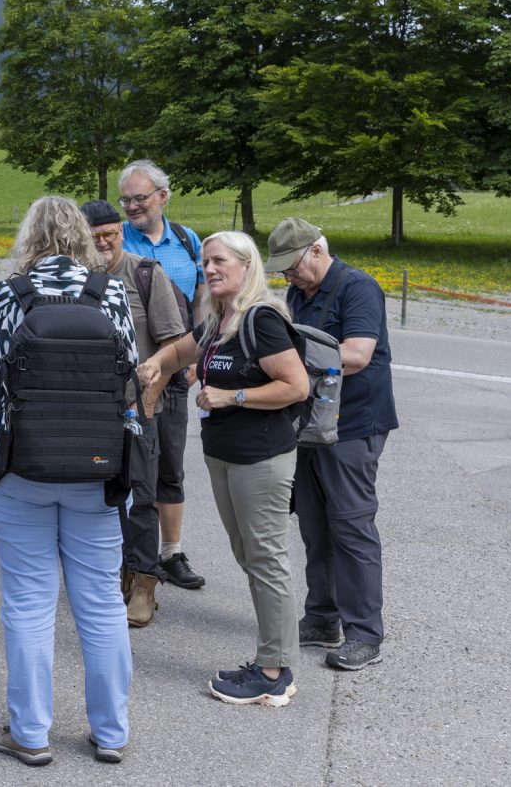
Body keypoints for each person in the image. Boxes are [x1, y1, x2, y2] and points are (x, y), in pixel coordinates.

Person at [0, 196, 136, 766]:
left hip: (20, 460)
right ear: (83, 238)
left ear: (30, 237)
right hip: (98, 466)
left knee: (28, 601)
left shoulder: (9, 293)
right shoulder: (110, 292)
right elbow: (127, 372)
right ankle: (111, 733)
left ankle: (30, 733)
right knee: (100, 604)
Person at [138, 231, 308, 706]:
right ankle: (272, 660)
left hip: (262, 457)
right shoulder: (219, 320)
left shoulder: (260, 320)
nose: (209, 269)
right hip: (226, 455)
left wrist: (233, 396)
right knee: (250, 557)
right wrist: (156, 363)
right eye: (204, 262)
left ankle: (273, 672)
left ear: (245, 265)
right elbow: (179, 351)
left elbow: (296, 386)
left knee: (266, 560)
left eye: (218, 261)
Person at [265, 217, 398, 671]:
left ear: (317, 252)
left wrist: (286, 356)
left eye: (292, 267)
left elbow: (358, 355)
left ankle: (365, 634)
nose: (288, 277)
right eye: (282, 271)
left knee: (351, 526)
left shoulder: (358, 287)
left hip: (354, 426)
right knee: (315, 526)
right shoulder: (298, 294)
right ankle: (322, 617)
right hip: (310, 426)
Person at [80, 199, 186, 628]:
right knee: (95, 496)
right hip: (89, 411)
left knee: (141, 496)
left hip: (139, 407)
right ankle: (108, 575)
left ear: (121, 232)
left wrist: (145, 401)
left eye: (111, 234)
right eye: (95, 237)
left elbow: (174, 345)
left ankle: (144, 583)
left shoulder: (145, 274)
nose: (104, 243)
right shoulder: (76, 278)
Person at [117, 159, 207, 590]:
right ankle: (129, 555)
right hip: (129, 375)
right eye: (127, 199)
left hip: (176, 375)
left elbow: (205, 303)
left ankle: (170, 552)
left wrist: (196, 360)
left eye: (140, 198)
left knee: (170, 464)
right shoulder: (114, 242)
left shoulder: (189, 243)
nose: (132, 206)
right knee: (131, 469)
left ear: (163, 196)